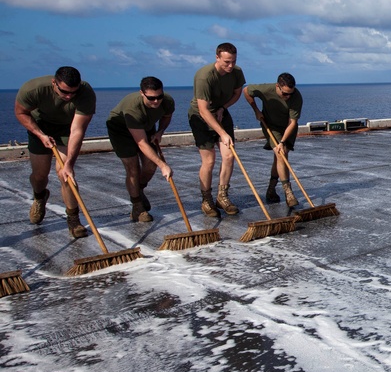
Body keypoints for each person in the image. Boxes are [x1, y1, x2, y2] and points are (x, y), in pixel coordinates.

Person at [14, 66, 96, 238]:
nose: (69, 97)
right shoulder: (33, 89)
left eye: (73, 93)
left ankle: (73, 220)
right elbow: (21, 112)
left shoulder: (86, 93)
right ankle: (39, 197)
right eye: (64, 92)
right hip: (40, 127)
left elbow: (78, 130)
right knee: (39, 175)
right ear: (54, 83)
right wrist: (40, 135)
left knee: (66, 174)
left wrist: (69, 164)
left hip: (68, 130)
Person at [106, 77, 175, 222]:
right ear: (142, 94)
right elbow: (141, 143)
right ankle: (137, 206)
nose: (156, 101)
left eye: (159, 97)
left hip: (146, 127)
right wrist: (163, 165)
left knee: (150, 166)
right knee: (133, 168)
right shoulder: (133, 107)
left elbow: (167, 116)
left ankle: (138, 188)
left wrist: (160, 132)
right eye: (151, 98)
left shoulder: (167, 101)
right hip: (121, 130)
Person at [189, 42, 246, 217]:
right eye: (226, 62)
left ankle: (222, 196)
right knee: (209, 161)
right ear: (217, 57)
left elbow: (237, 93)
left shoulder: (237, 72)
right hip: (201, 117)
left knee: (229, 156)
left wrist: (223, 107)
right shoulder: (204, 77)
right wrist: (222, 133)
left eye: (233, 61)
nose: (230, 66)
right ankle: (206, 200)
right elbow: (203, 109)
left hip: (221, 112)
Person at [244, 72, 303, 207]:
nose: (288, 97)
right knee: (281, 154)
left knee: (280, 155)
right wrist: (256, 110)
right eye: (285, 94)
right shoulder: (266, 89)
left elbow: (292, 122)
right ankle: (288, 192)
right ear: (278, 86)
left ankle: (271, 189)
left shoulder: (296, 96)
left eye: (290, 94)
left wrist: (282, 142)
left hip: (288, 127)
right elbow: (246, 91)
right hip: (271, 126)